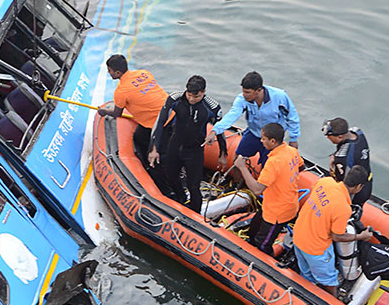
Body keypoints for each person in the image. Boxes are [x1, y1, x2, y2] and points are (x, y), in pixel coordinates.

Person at [147, 75, 227, 213]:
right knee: (170, 176)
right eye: (189, 95)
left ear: (203, 92)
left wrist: (223, 154)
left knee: (193, 186)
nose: (191, 99)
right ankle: (181, 198)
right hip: (175, 144)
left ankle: (195, 213)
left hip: (195, 149)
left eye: (196, 96)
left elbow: (220, 131)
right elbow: (160, 122)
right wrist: (154, 148)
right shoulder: (175, 98)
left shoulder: (212, 107)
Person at [293, 166, 374, 295]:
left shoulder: (326, 182)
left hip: (298, 236)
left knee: (306, 273)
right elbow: (337, 236)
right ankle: (332, 303)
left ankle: (305, 293)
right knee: (329, 281)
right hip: (315, 249)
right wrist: (360, 236)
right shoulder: (343, 208)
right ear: (359, 187)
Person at [97, 54, 172, 193]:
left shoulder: (121, 91)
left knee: (157, 159)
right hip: (170, 113)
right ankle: (144, 161)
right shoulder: (144, 73)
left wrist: (104, 112)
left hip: (158, 125)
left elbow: (117, 113)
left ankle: (165, 187)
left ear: (118, 73)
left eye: (110, 71)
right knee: (139, 136)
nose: (109, 73)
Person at [233, 123, 303, 255]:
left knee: (263, 244)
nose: (261, 141)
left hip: (278, 212)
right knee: (252, 231)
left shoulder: (274, 162)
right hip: (273, 205)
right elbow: (301, 166)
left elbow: (257, 190)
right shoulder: (291, 151)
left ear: (272, 141)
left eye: (263, 139)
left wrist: (242, 167)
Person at [205, 71, 300, 168]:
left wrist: (293, 139)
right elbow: (231, 116)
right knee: (237, 160)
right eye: (243, 91)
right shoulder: (242, 99)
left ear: (258, 90)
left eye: (248, 92)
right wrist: (214, 131)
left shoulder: (279, 97)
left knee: (269, 167)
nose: (244, 95)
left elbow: (292, 117)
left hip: (272, 138)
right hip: (254, 132)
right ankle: (236, 183)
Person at [323, 117, 373, 208]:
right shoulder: (357, 131)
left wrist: (332, 167)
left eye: (329, 136)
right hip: (367, 181)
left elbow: (342, 183)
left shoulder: (342, 158)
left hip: (355, 193)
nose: (327, 137)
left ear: (340, 137)